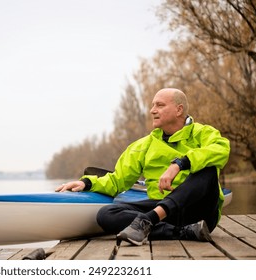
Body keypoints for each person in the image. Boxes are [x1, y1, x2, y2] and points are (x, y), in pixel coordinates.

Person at [55, 88, 230, 246]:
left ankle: (148, 221)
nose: (152, 110)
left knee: (208, 169)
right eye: (153, 105)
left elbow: (222, 150)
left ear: (179, 110)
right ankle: (180, 232)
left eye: (160, 105)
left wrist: (179, 164)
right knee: (107, 214)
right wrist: (87, 183)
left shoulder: (202, 133)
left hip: (200, 211)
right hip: (167, 214)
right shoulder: (143, 145)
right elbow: (117, 181)